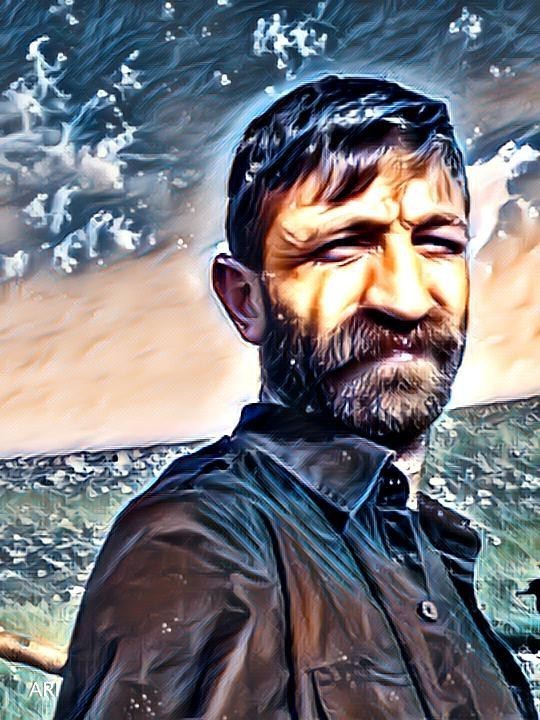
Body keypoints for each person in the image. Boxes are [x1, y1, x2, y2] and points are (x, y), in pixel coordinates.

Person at [54, 76, 536, 719]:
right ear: (244, 299)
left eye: (438, 243)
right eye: (341, 248)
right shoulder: (201, 544)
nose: (406, 297)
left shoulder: (429, 546)